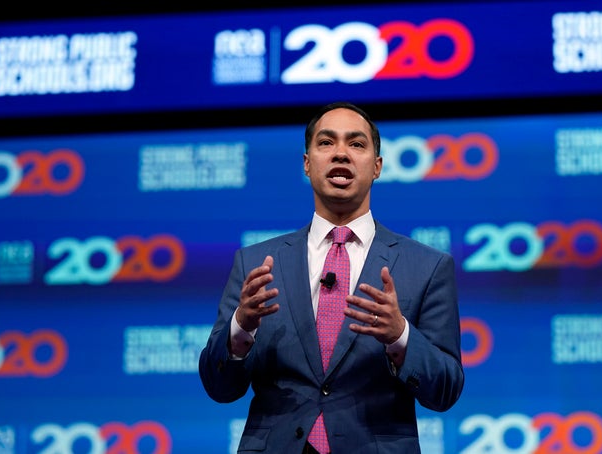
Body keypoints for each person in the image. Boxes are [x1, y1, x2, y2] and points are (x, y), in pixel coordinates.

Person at [199, 102, 464, 454]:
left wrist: (400, 337)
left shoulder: (427, 266)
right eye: (326, 143)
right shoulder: (257, 263)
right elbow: (219, 387)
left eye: (356, 144)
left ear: (377, 167)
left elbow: (445, 391)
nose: (341, 153)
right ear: (307, 164)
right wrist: (240, 330)